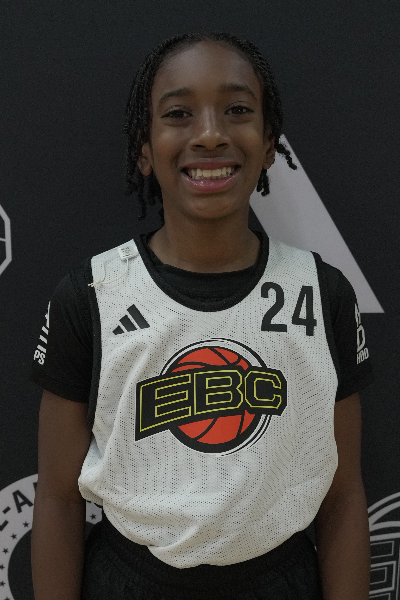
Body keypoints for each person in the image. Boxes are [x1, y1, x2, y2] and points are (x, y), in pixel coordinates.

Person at [30, 32, 373, 600]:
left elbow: (343, 495)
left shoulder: (321, 293)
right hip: (131, 579)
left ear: (269, 145)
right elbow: (58, 497)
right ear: (144, 149)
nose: (211, 134)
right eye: (178, 114)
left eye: (237, 110)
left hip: (279, 578)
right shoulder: (91, 295)